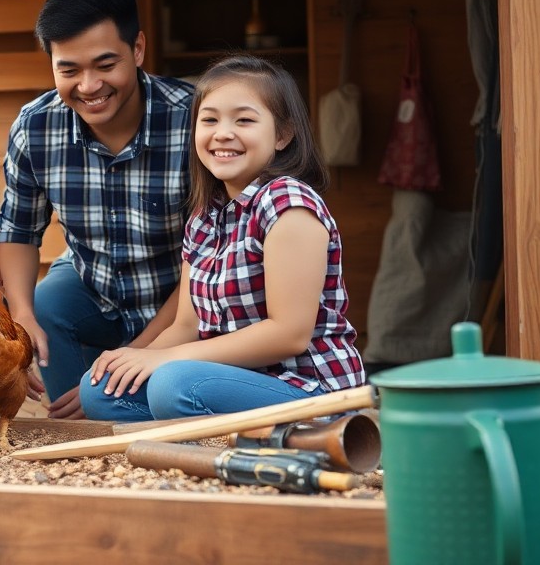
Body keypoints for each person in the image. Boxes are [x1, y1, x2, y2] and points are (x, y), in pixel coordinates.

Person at [80, 55, 366, 421]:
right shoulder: (204, 217)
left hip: (309, 392)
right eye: (209, 119)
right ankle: (200, 447)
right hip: (229, 381)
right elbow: (186, 326)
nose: (223, 133)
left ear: (283, 134)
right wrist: (139, 357)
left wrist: (166, 360)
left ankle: (234, 450)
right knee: (101, 387)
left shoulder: (288, 205)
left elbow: (289, 334)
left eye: (244, 120)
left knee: (175, 384)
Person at [0, 0, 195, 419]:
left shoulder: (194, 121)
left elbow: (208, 270)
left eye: (105, 65)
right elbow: (17, 229)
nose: (89, 86)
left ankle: (106, 403)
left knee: (122, 396)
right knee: (46, 303)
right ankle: (77, 427)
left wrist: (123, 364)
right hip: (94, 285)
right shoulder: (35, 127)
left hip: (184, 302)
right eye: (69, 70)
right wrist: (22, 316)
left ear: (137, 49)